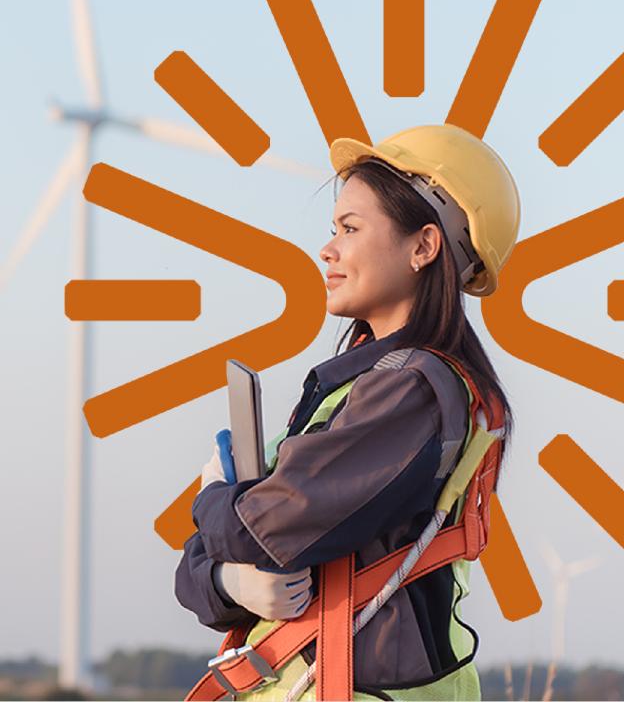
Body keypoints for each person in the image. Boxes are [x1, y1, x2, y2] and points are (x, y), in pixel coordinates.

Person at [174, 123, 521, 700]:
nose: (327, 248)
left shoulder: (414, 395)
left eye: (351, 228)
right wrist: (224, 579)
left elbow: (262, 529)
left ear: (423, 247)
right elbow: (217, 555)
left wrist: (212, 497)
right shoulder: (362, 388)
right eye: (333, 228)